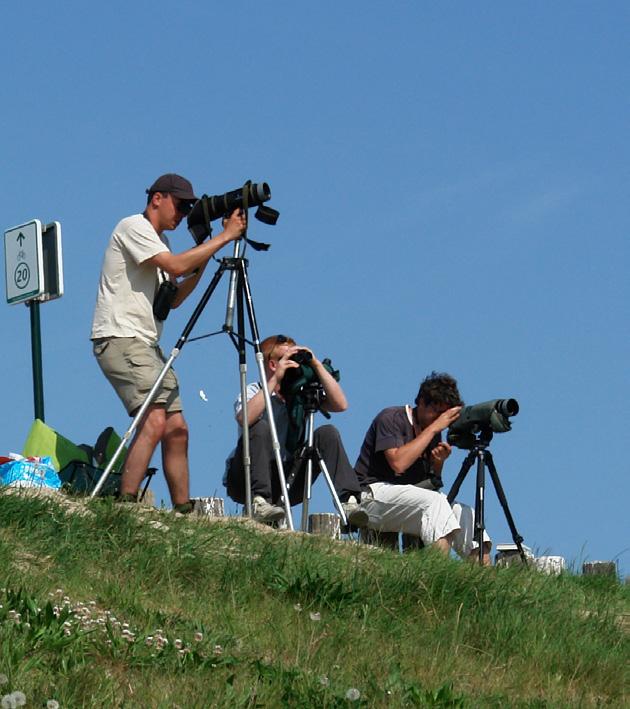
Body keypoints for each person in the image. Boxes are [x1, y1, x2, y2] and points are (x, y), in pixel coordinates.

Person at [91, 173, 246, 512]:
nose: (182, 213)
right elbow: (175, 266)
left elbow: (173, 299)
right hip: (121, 337)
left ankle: (182, 508)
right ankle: (126, 504)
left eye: (189, 207)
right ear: (157, 198)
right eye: (180, 205)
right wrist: (223, 238)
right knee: (155, 419)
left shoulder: (161, 243)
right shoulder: (133, 227)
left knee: (177, 428)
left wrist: (203, 257)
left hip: (145, 344)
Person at [225, 334, 368, 526]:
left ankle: (349, 502)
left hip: (288, 477)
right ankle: (259, 502)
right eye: (287, 359)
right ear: (272, 364)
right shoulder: (253, 390)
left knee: (327, 433)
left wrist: (315, 364)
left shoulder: (300, 394)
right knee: (260, 427)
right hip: (247, 476)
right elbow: (244, 418)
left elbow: (340, 405)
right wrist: (276, 380)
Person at [354, 371, 491, 563]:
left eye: (444, 414)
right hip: (370, 495)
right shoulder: (392, 417)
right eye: (437, 411)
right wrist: (434, 428)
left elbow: (429, 485)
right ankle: (435, 578)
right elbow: (398, 464)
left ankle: (484, 581)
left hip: (404, 499)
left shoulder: (432, 433)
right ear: (421, 401)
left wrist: (438, 464)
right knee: (435, 504)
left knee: (465, 514)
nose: (439, 419)